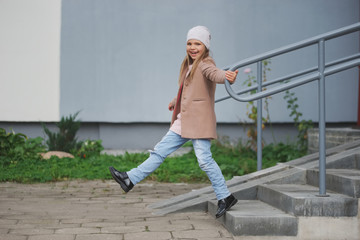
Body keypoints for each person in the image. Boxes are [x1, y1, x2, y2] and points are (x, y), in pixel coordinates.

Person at [109, 26, 239, 218]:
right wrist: (175, 101)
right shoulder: (188, 65)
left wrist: (227, 76)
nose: (193, 47)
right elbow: (189, 90)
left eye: (197, 43)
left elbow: (215, 74)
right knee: (160, 151)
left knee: (204, 160)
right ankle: (130, 179)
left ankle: (225, 197)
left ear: (205, 46)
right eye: (189, 43)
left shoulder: (204, 63)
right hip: (184, 120)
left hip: (199, 122)